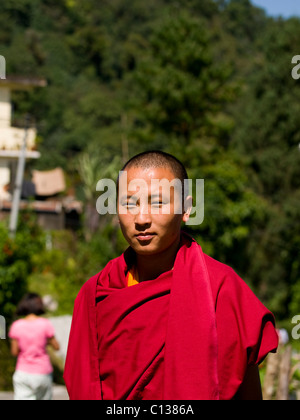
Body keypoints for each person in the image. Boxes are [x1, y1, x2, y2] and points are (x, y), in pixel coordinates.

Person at [64, 150, 278, 400]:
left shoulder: (221, 286)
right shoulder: (97, 293)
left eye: (158, 202)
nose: (141, 218)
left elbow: (247, 392)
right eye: (129, 203)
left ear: (186, 209)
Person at [9, 293, 60, 400]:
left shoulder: (16, 325)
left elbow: (14, 352)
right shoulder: (45, 324)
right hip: (42, 372)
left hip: (23, 371)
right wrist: (46, 342)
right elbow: (56, 347)